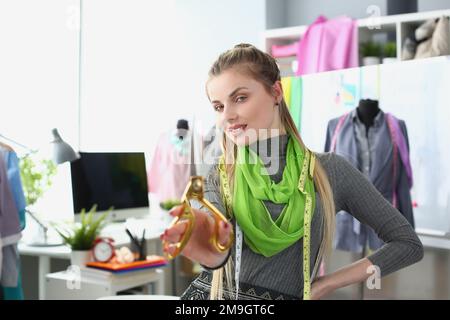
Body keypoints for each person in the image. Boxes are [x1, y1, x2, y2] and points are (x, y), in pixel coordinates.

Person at [160, 43, 424, 300]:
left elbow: (407, 244)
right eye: (218, 106)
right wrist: (202, 237)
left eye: (240, 98)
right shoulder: (220, 174)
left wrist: (326, 284)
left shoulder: (329, 171)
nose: (227, 116)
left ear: (276, 92)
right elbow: (217, 256)